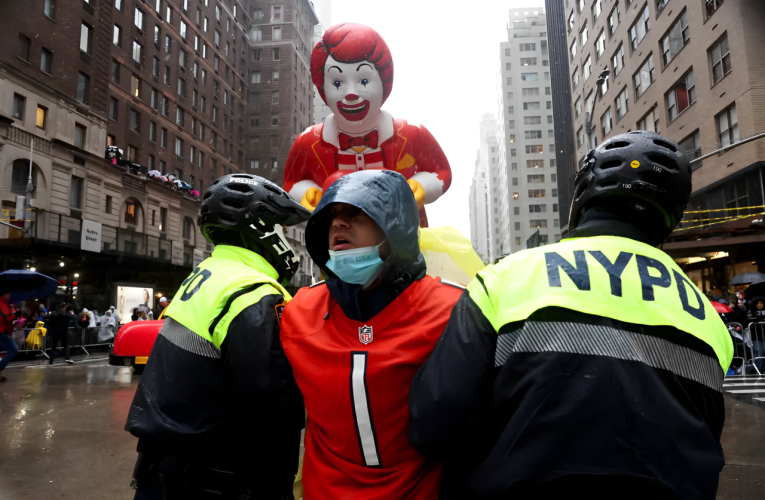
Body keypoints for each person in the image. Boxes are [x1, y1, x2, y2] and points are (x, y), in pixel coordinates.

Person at [409, 131, 733, 500]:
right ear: (674, 212)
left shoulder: (507, 278)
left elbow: (433, 420)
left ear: (581, 197)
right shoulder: (708, 319)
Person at [280, 170, 464, 499]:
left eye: (357, 213)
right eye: (332, 216)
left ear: (397, 229)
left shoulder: (452, 310)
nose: (338, 224)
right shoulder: (298, 313)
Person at [125, 174, 310, 500]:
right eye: (281, 228)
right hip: (214, 479)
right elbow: (274, 398)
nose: (285, 240)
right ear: (261, 228)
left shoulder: (208, 275)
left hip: (166, 465)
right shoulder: (253, 292)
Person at [0, 289, 19, 382]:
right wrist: (13, 315)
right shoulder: (2, 304)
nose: (10, 294)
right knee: (13, 349)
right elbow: (7, 319)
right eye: (8, 292)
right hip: (1, 331)